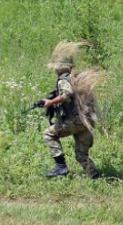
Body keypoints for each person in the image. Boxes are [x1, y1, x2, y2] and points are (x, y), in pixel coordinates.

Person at [40, 42, 101, 179]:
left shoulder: (63, 80)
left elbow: (67, 94)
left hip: (75, 121)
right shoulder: (77, 79)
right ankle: (96, 178)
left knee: (48, 134)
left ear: (60, 68)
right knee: (81, 155)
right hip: (86, 121)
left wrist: (50, 102)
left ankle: (60, 166)